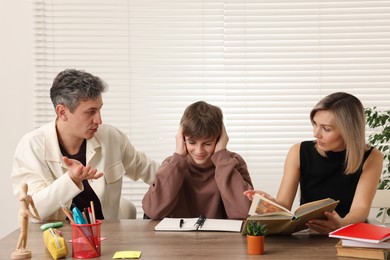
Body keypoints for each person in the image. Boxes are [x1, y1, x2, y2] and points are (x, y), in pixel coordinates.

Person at [11, 69, 159, 221]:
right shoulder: (31, 146)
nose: (99, 120)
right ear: (62, 112)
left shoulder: (111, 137)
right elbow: (33, 211)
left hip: (108, 238)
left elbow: (151, 171)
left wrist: (181, 161)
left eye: (100, 109)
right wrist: (71, 180)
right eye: (91, 112)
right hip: (57, 240)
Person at [244, 92, 383, 234]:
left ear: (349, 131)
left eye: (326, 128)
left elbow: (360, 209)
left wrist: (341, 225)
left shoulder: (372, 157)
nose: (316, 134)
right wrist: (269, 204)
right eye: (315, 124)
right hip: (308, 235)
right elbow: (284, 204)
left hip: (348, 234)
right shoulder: (298, 151)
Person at [142, 101, 253, 220]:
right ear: (182, 138)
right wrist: (178, 157)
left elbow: (246, 213)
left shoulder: (232, 163)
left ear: (220, 138)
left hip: (220, 238)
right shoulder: (173, 164)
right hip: (178, 238)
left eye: (207, 143)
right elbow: (153, 211)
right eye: (192, 142)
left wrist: (221, 157)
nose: (199, 151)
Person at [12, 183, 42, 259]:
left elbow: (34, 207)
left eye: (26, 187)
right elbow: (26, 210)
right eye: (24, 187)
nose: (25, 188)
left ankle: (23, 247)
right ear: (22, 188)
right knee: (22, 232)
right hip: (23, 215)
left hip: (27, 216)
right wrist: (35, 217)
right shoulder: (22, 198)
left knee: (26, 233)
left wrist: (38, 216)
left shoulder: (29, 197)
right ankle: (18, 248)